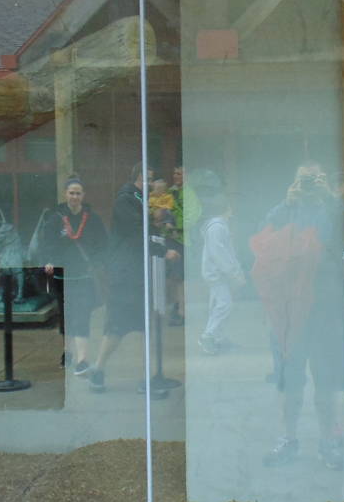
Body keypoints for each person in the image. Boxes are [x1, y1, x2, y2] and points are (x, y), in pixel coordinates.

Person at [250, 163, 344, 469]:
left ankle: (328, 442)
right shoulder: (284, 210)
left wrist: (328, 197)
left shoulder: (333, 209)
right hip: (290, 309)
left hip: (324, 306)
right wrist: (288, 201)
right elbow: (264, 239)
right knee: (289, 380)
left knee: (325, 380)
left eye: (314, 181)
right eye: (303, 181)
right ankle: (288, 439)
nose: (308, 187)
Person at [88, 164, 177, 396]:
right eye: (149, 179)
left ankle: (134, 376)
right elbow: (137, 234)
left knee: (137, 325)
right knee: (121, 325)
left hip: (132, 273)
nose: (152, 184)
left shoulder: (136, 200)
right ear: (139, 178)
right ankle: (103, 370)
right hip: (126, 275)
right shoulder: (126, 200)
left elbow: (143, 231)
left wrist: (158, 224)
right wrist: (162, 251)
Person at [31, 176, 108, 376]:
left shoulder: (92, 218)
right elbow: (46, 244)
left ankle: (82, 360)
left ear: (83, 195)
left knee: (82, 314)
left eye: (78, 193)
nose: (75, 196)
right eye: (71, 193)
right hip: (62, 275)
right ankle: (68, 352)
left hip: (84, 275)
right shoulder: (55, 218)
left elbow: (103, 244)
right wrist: (48, 261)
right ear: (65, 194)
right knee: (66, 316)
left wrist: (97, 261)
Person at [197, 194, 244, 355]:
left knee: (218, 304)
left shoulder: (218, 226)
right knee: (224, 304)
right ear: (226, 208)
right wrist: (233, 273)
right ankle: (208, 335)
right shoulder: (218, 227)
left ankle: (218, 337)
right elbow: (220, 253)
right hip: (217, 273)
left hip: (217, 273)